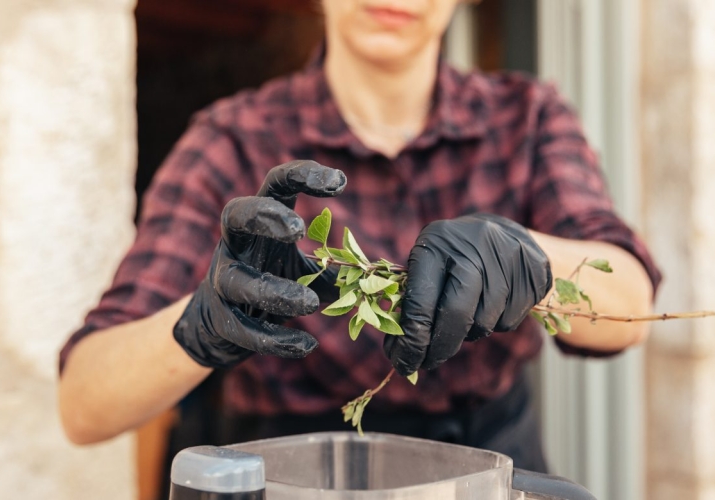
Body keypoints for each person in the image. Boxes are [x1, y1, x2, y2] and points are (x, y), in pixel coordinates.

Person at [57, 0, 661, 477]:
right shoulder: (233, 140)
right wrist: (198, 325)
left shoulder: (527, 117)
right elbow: (84, 404)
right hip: (292, 475)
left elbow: (631, 305)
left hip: (490, 470)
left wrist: (528, 253)